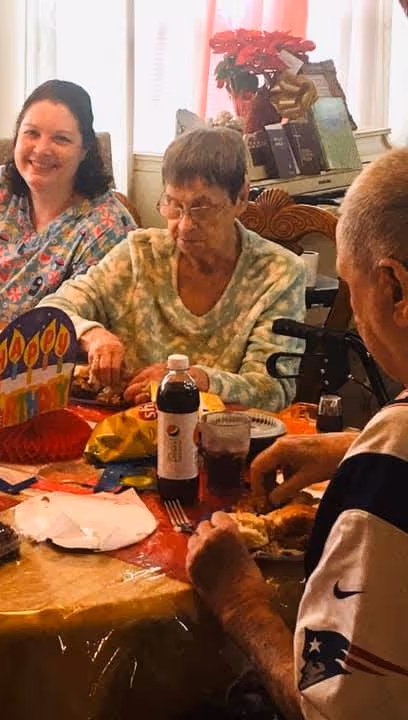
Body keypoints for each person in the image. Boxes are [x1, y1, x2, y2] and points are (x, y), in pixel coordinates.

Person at [187, 147, 408, 720]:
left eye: (352, 291)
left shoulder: (393, 458)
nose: (356, 314)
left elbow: (332, 712)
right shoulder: (383, 447)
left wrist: (242, 603)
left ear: (395, 290)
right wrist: (349, 445)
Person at [38, 127, 306, 412]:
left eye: (201, 209)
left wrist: (192, 380)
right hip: (120, 432)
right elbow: (51, 311)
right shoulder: (139, 253)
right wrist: (93, 336)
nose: (185, 226)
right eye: (174, 206)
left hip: (218, 441)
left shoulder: (279, 272)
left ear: (240, 197)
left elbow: (272, 390)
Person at [0, 79, 136, 329]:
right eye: (32, 133)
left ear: (85, 150)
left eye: (61, 139)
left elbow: (75, 333)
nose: (41, 149)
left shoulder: (108, 229)